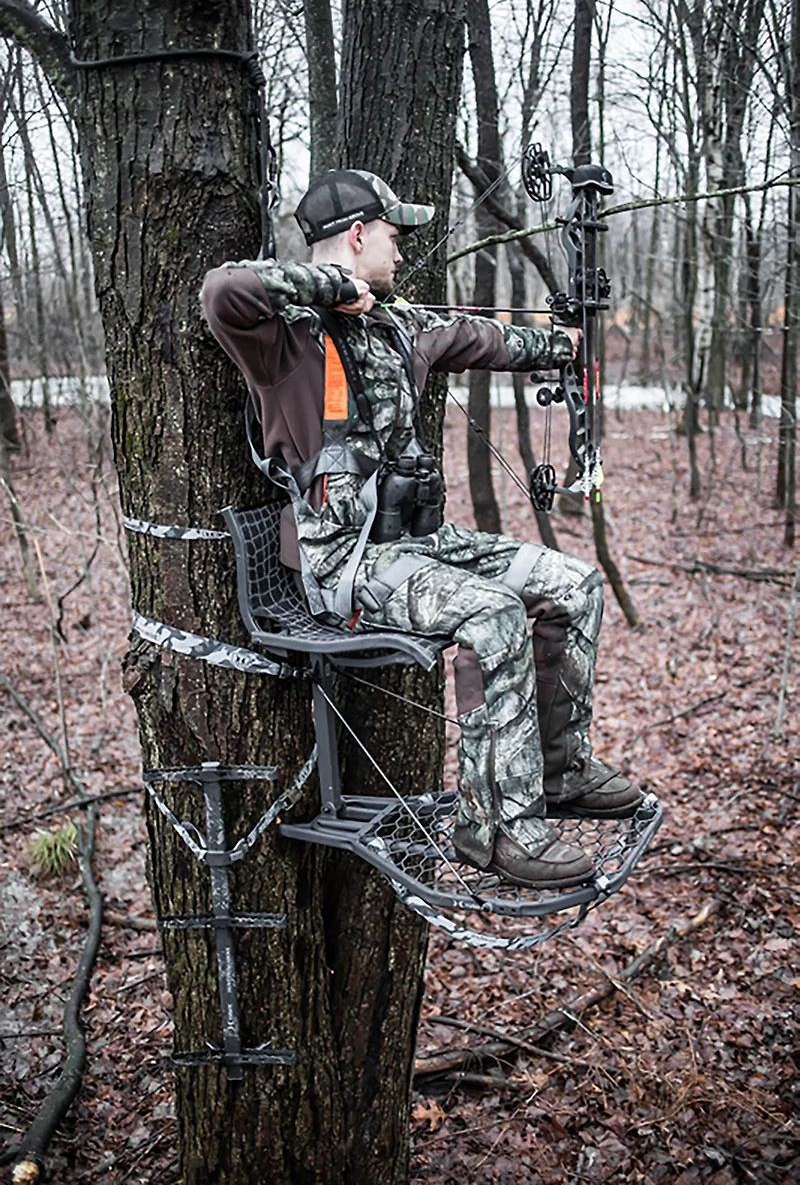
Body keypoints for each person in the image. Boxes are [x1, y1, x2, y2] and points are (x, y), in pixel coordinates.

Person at [201, 168, 642, 890]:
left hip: (421, 547)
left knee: (572, 584)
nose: (401, 252)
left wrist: (567, 343)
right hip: (349, 563)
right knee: (494, 616)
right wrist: (332, 288)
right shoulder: (284, 341)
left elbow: (483, 337)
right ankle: (494, 830)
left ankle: (559, 771)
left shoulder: (401, 326)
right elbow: (222, 291)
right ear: (355, 235)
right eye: (392, 236)